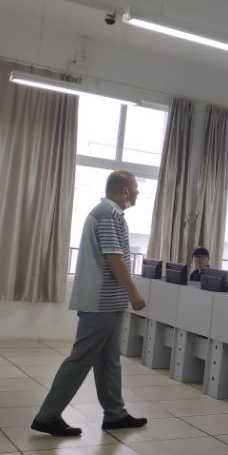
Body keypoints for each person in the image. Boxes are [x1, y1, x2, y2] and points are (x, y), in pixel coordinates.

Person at [31, 170, 149, 436]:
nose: (137, 193)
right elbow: (114, 258)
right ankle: (47, 416)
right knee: (81, 358)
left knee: (108, 360)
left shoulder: (108, 213)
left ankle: (115, 414)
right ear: (125, 191)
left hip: (107, 301)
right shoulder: (108, 215)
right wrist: (134, 294)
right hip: (100, 302)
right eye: (136, 189)